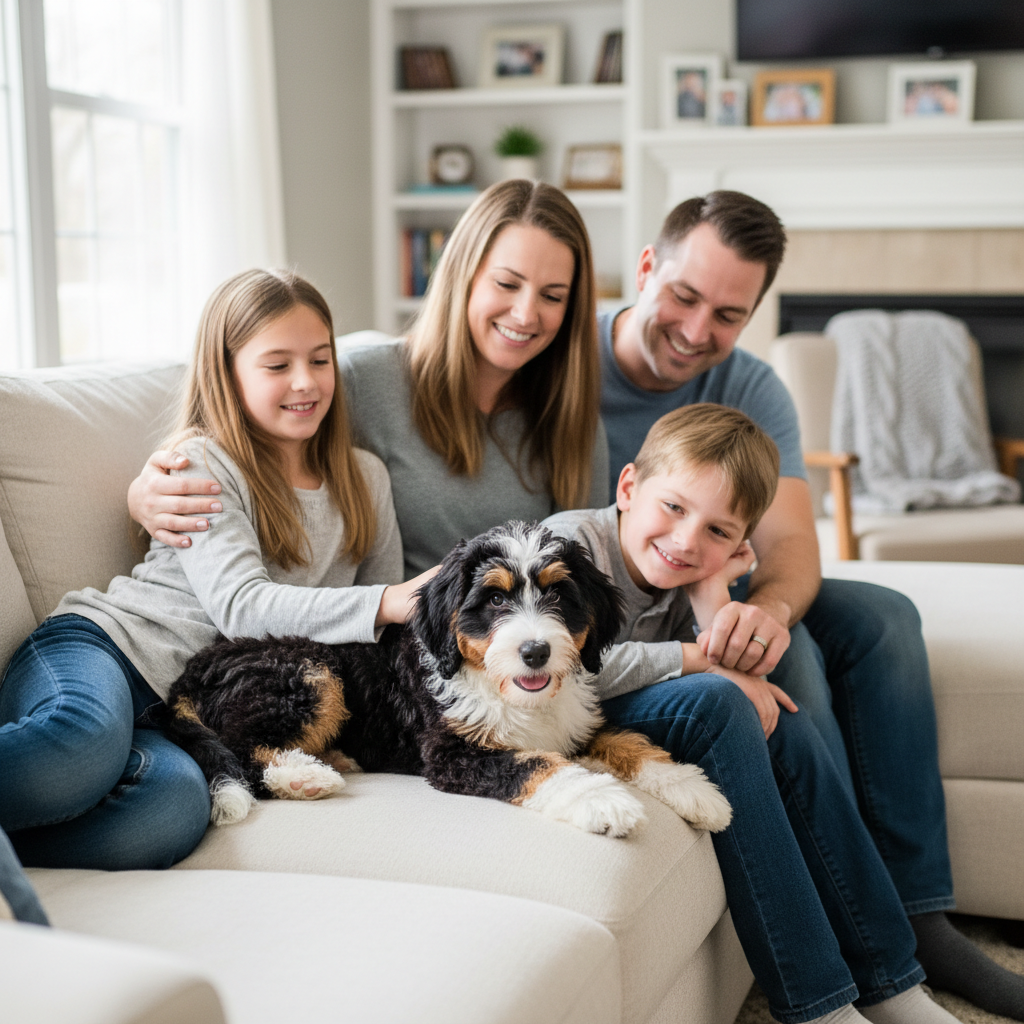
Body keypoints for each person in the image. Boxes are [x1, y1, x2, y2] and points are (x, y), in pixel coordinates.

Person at [598, 189, 1024, 1022]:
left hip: (715, 577)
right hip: (628, 608)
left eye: (728, 314)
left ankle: (919, 917)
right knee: (787, 667)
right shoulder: (564, 359)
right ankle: (858, 939)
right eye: (683, 296)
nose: (697, 330)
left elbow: (793, 541)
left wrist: (762, 610)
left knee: (882, 619)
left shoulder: (751, 385)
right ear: (645, 268)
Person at [545, 403, 959, 1024]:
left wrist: (710, 591)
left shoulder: (690, 568)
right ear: (628, 487)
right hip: (558, 708)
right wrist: (697, 657)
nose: (687, 540)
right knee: (725, 697)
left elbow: (735, 666)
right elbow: (561, 664)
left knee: (774, 713)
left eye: (718, 531)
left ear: (742, 542)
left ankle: (890, 984)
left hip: (624, 708)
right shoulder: (569, 547)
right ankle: (820, 1008)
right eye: (674, 507)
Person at [0, 269, 427, 871]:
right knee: (82, 747)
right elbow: (242, 607)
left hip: (182, 715)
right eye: (277, 365)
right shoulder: (204, 461)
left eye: (320, 359)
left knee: (171, 811)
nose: (305, 381)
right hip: (108, 651)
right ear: (227, 374)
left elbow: (372, 646)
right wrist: (386, 600)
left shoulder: (366, 479)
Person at [128, 180, 609, 581]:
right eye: (506, 283)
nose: (525, 313)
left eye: (552, 296)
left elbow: (588, 571)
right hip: (402, 643)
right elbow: (248, 448)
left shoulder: (572, 420)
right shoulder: (361, 381)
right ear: (462, 275)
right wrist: (142, 497)